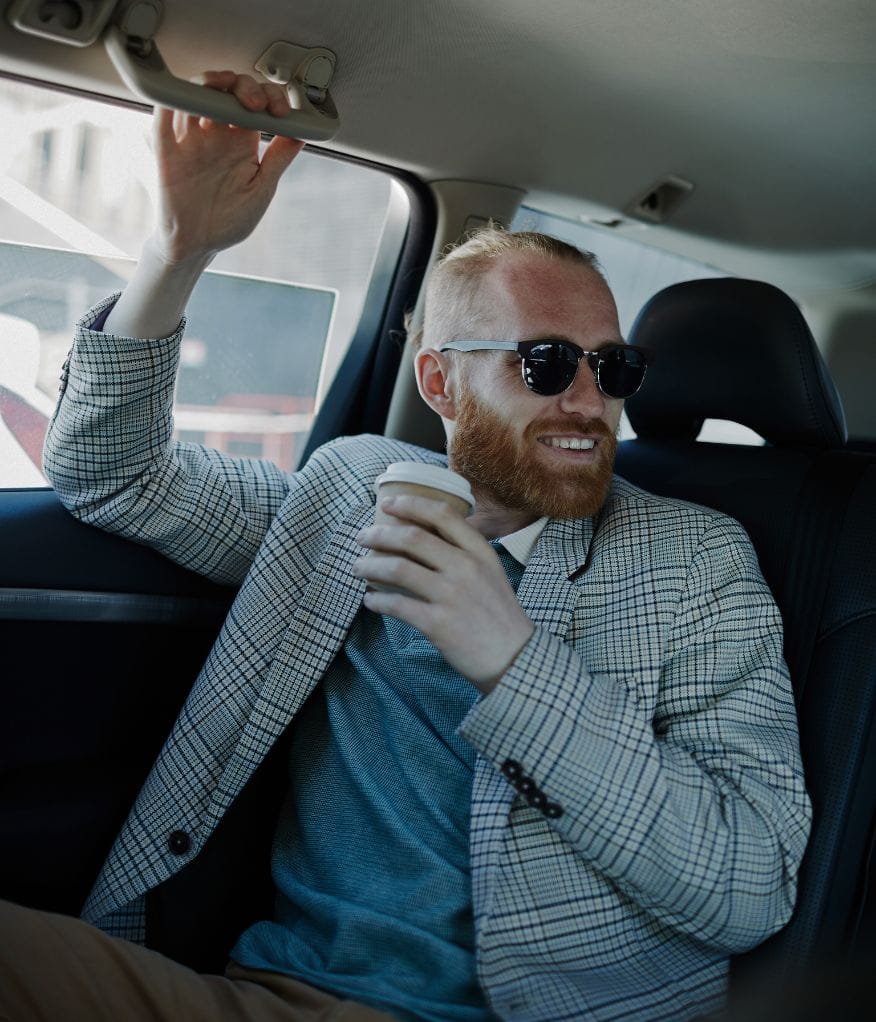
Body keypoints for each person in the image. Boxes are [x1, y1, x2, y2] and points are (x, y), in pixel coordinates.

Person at [0, 72, 811, 1022]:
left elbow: (747, 886)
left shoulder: (695, 565)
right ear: (437, 380)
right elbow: (113, 474)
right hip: (281, 991)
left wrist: (513, 663)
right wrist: (178, 253)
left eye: (614, 368)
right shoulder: (352, 496)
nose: (590, 401)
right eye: (546, 363)